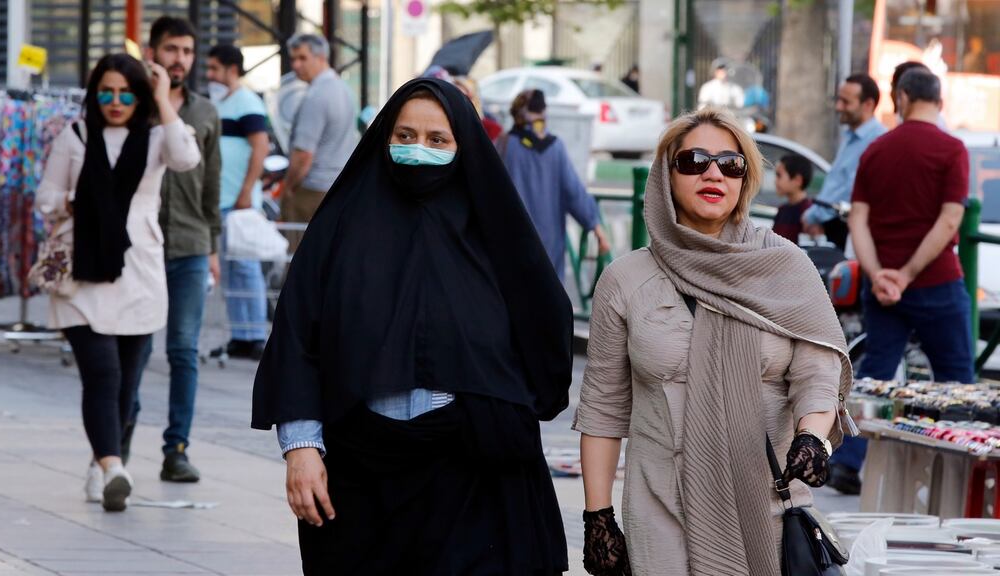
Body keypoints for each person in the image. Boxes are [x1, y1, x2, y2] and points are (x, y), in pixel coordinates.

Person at [252, 78, 571, 575]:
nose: (418, 149)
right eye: (404, 136)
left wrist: (505, 408)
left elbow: (543, 320)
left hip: (473, 470)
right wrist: (301, 448)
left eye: (437, 139)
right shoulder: (341, 226)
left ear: (464, 147)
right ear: (384, 138)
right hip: (360, 474)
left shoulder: (492, 229)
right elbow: (297, 337)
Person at [574, 107, 852, 575]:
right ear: (666, 175)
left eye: (730, 164)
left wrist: (811, 438)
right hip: (661, 509)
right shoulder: (626, 279)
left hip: (766, 508)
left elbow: (818, 374)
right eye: (694, 161)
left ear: (745, 178)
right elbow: (603, 408)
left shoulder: (786, 267)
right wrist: (597, 517)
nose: (713, 173)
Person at [35, 54, 200, 511]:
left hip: (138, 273)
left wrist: (163, 98)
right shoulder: (75, 135)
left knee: (127, 382)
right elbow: (45, 196)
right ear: (94, 94)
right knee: (102, 374)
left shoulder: (156, 138)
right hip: (83, 273)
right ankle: (113, 466)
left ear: (140, 96)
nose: (115, 101)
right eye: (106, 92)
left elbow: (186, 157)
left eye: (126, 93)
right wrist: (78, 201)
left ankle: (99, 464)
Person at [839, 69, 974, 495]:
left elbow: (858, 219)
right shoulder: (952, 149)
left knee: (876, 372)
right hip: (936, 280)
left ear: (901, 97)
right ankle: (961, 470)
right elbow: (950, 220)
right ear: (939, 102)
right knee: (956, 377)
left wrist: (879, 273)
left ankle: (847, 461)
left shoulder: (876, 149)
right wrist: (909, 273)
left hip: (882, 287)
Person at [130, 16, 222, 483]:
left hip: (190, 244)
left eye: (187, 51)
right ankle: (117, 445)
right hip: (139, 246)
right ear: (153, 52)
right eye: (171, 50)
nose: (179, 59)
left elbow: (211, 184)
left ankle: (177, 449)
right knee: (135, 348)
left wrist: (213, 246)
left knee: (184, 351)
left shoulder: (206, 112)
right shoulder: (131, 104)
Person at [496, 89, 610, 279]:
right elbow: (573, 192)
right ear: (544, 112)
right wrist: (596, 226)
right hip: (549, 246)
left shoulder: (503, 145)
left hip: (511, 242)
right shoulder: (555, 147)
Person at [205, 44, 270, 360]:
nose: (210, 75)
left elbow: (260, 147)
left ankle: (255, 333)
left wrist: (246, 191)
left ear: (232, 69)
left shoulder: (247, 102)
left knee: (246, 266)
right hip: (223, 198)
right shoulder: (222, 103)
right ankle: (240, 334)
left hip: (238, 200)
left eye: (214, 68)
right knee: (230, 270)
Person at [281, 33, 357, 250]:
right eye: (293, 59)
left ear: (321, 57)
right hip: (338, 187)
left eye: (302, 58)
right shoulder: (343, 89)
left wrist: (288, 188)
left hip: (312, 190)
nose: (296, 65)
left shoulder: (317, 95)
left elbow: (303, 155)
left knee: (299, 258)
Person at [802, 73, 887, 251]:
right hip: (831, 226)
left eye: (846, 102)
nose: (839, 107)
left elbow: (850, 190)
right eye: (838, 100)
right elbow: (836, 183)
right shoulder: (850, 136)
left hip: (845, 229)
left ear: (868, 104)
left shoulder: (878, 140)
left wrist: (815, 216)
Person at [772, 154, 813, 244]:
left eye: (779, 175)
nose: (775, 181)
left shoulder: (808, 213)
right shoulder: (782, 210)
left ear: (798, 180)